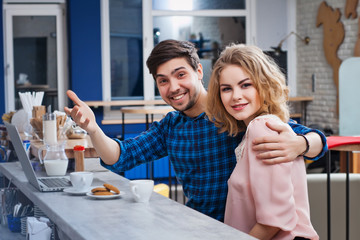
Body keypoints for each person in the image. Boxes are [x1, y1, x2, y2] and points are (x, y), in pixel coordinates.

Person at [64, 39, 327, 222]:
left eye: (180, 75)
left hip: (241, 228)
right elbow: (120, 156)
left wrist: (301, 144)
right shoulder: (170, 127)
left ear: (199, 71)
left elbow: (317, 139)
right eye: (163, 81)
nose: (173, 87)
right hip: (196, 225)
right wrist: (93, 128)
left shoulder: (234, 112)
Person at [206, 43, 319, 239]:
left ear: (263, 84)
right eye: (226, 89)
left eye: (245, 85)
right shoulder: (259, 128)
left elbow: (274, 220)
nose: (236, 97)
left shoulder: (263, 127)